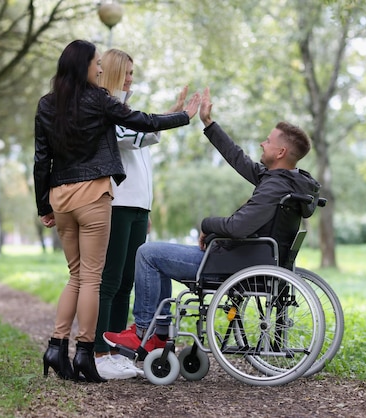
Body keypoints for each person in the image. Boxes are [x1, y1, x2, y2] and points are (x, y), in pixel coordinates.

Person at [103, 87, 321, 354]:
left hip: (234, 263)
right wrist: (208, 123)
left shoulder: (275, 186)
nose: (263, 143)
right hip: (250, 259)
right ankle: (157, 334)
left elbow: (238, 226)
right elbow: (239, 159)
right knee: (155, 255)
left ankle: (144, 332)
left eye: (268, 140)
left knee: (148, 253)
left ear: (280, 151)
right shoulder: (288, 182)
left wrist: (207, 225)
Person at [34, 40, 200, 383]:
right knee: (95, 279)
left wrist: (43, 205)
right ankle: (87, 352)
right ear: (85, 66)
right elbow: (140, 122)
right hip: (93, 194)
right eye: (96, 63)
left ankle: (55, 345)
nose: (99, 68)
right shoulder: (98, 100)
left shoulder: (48, 104)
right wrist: (183, 116)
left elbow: (41, 159)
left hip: (60, 196)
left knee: (76, 276)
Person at [91, 49, 190, 379]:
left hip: (135, 206)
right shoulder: (106, 110)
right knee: (111, 279)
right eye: (128, 72)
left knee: (128, 282)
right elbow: (135, 139)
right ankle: (97, 351)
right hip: (117, 204)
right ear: (115, 72)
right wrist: (174, 117)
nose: (132, 77)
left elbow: (142, 137)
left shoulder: (125, 110)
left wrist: (169, 114)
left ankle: (116, 349)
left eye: (134, 72)